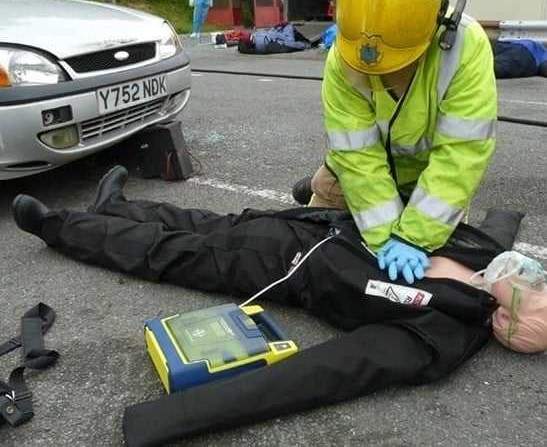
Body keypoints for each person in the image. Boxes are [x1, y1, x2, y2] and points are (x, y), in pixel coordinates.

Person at [11, 166, 546, 446]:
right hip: (318, 226)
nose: (531, 271)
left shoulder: (442, 334)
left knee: (171, 253)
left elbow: (325, 374)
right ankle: (119, 207)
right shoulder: (489, 255)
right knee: (208, 222)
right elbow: (498, 221)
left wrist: (168, 420)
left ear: (509, 318)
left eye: (534, 284)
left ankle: (57, 228)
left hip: (285, 268)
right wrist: (507, 224)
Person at [293, 0, 497, 286]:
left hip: (431, 181)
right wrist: (386, 234)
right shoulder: (344, 55)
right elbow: (356, 154)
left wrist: (415, 236)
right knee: (307, 249)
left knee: (434, 272)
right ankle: (315, 186)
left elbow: (461, 154)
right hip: (356, 173)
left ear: (436, 24)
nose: (383, 74)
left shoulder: (466, 48)